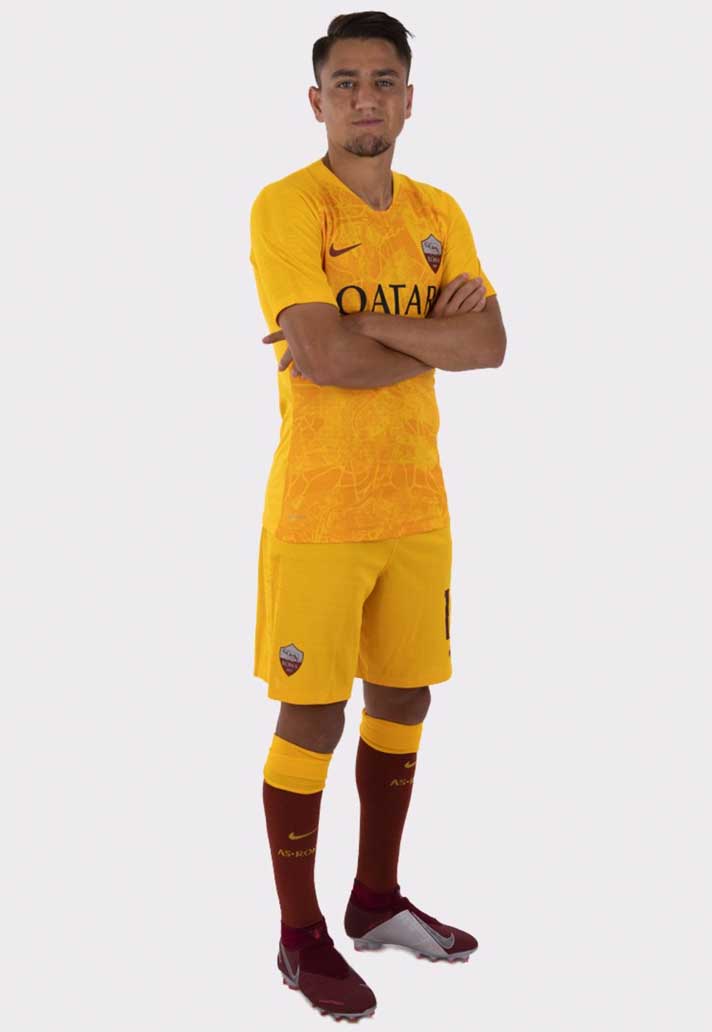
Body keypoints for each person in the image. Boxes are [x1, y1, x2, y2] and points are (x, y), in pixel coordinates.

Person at [249, 10, 506, 1023]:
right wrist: (418, 330)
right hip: (319, 511)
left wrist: (360, 322)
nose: (366, 98)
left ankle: (375, 901)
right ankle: (299, 936)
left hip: (416, 505)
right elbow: (321, 358)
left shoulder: (438, 212)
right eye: (347, 83)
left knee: (405, 701)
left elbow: (488, 344)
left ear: (408, 99)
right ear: (317, 101)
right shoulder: (288, 207)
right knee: (313, 714)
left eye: (384, 81)